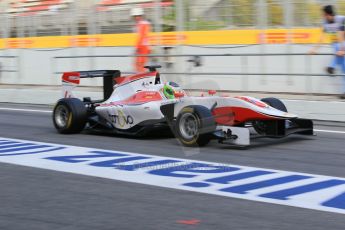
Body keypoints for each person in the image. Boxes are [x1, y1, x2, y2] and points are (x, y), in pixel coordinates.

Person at [309, 5, 345, 99]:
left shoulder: (341, 19)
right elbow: (321, 38)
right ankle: (344, 92)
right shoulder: (325, 22)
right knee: (344, 69)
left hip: (342, 43)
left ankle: (331, 67)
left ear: (328, 14)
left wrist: (342, 49)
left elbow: (342, 35)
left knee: (338, 46)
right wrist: (314, 49)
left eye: (324, 15)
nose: (323, 16)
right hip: (337, 45)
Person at [131, 8, 151, 72]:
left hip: (142, 46)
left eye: (138, 16)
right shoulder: (142, 23)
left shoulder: (142, 24)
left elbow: (141, 36)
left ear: (141, 16)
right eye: (135, 16)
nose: (137, 17)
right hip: (143, 46)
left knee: (140, 65)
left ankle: (141, 78)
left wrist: (137, 47)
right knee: (139, 64)